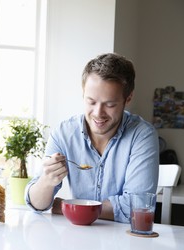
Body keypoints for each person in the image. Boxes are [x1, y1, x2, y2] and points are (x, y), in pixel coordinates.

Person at [25, 53, 159, 223]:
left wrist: (67, 206)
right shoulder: (64, 133)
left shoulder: (142, 135)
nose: (98, 113)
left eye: (110, 105)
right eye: (91, 102)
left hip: (124, 241)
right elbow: (37, 205)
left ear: (128, 98)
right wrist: (46, 181)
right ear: (83, 93)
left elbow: (137, 206)